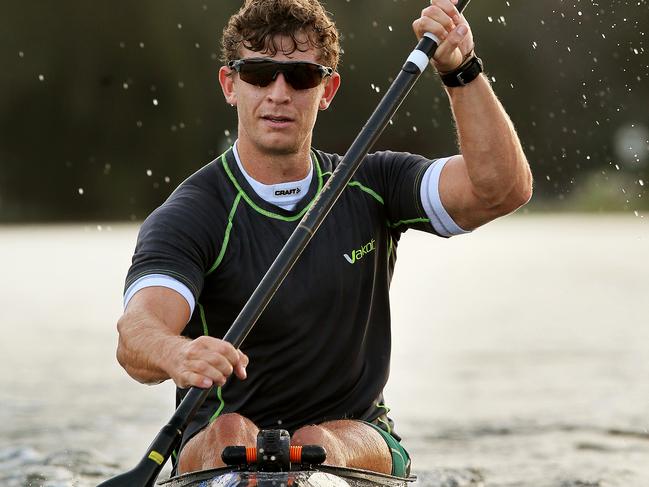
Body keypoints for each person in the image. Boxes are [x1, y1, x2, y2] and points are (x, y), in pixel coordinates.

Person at [116, 0, 532, 478]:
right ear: (230, 85)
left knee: (320, 443)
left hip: (354, 437)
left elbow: (502, 189)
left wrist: (461, 70)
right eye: (258, 74)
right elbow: (136, 336)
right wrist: (178, 352)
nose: (278, 93)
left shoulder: (371, 182)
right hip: (218, 445)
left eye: (300, 78)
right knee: (233, 432)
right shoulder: (192, 214)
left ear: (327, 89)